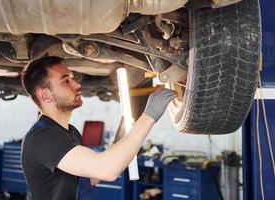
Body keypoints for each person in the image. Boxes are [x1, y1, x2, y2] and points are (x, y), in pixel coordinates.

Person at [20, 56, 177, 200]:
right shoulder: (43, 136)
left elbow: (88, 178)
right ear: (45, 95)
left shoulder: (70, 132)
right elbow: (106, 169)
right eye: (66, 81)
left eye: (73, 78)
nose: (77, 84)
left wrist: (118, 142)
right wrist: (149, 116)